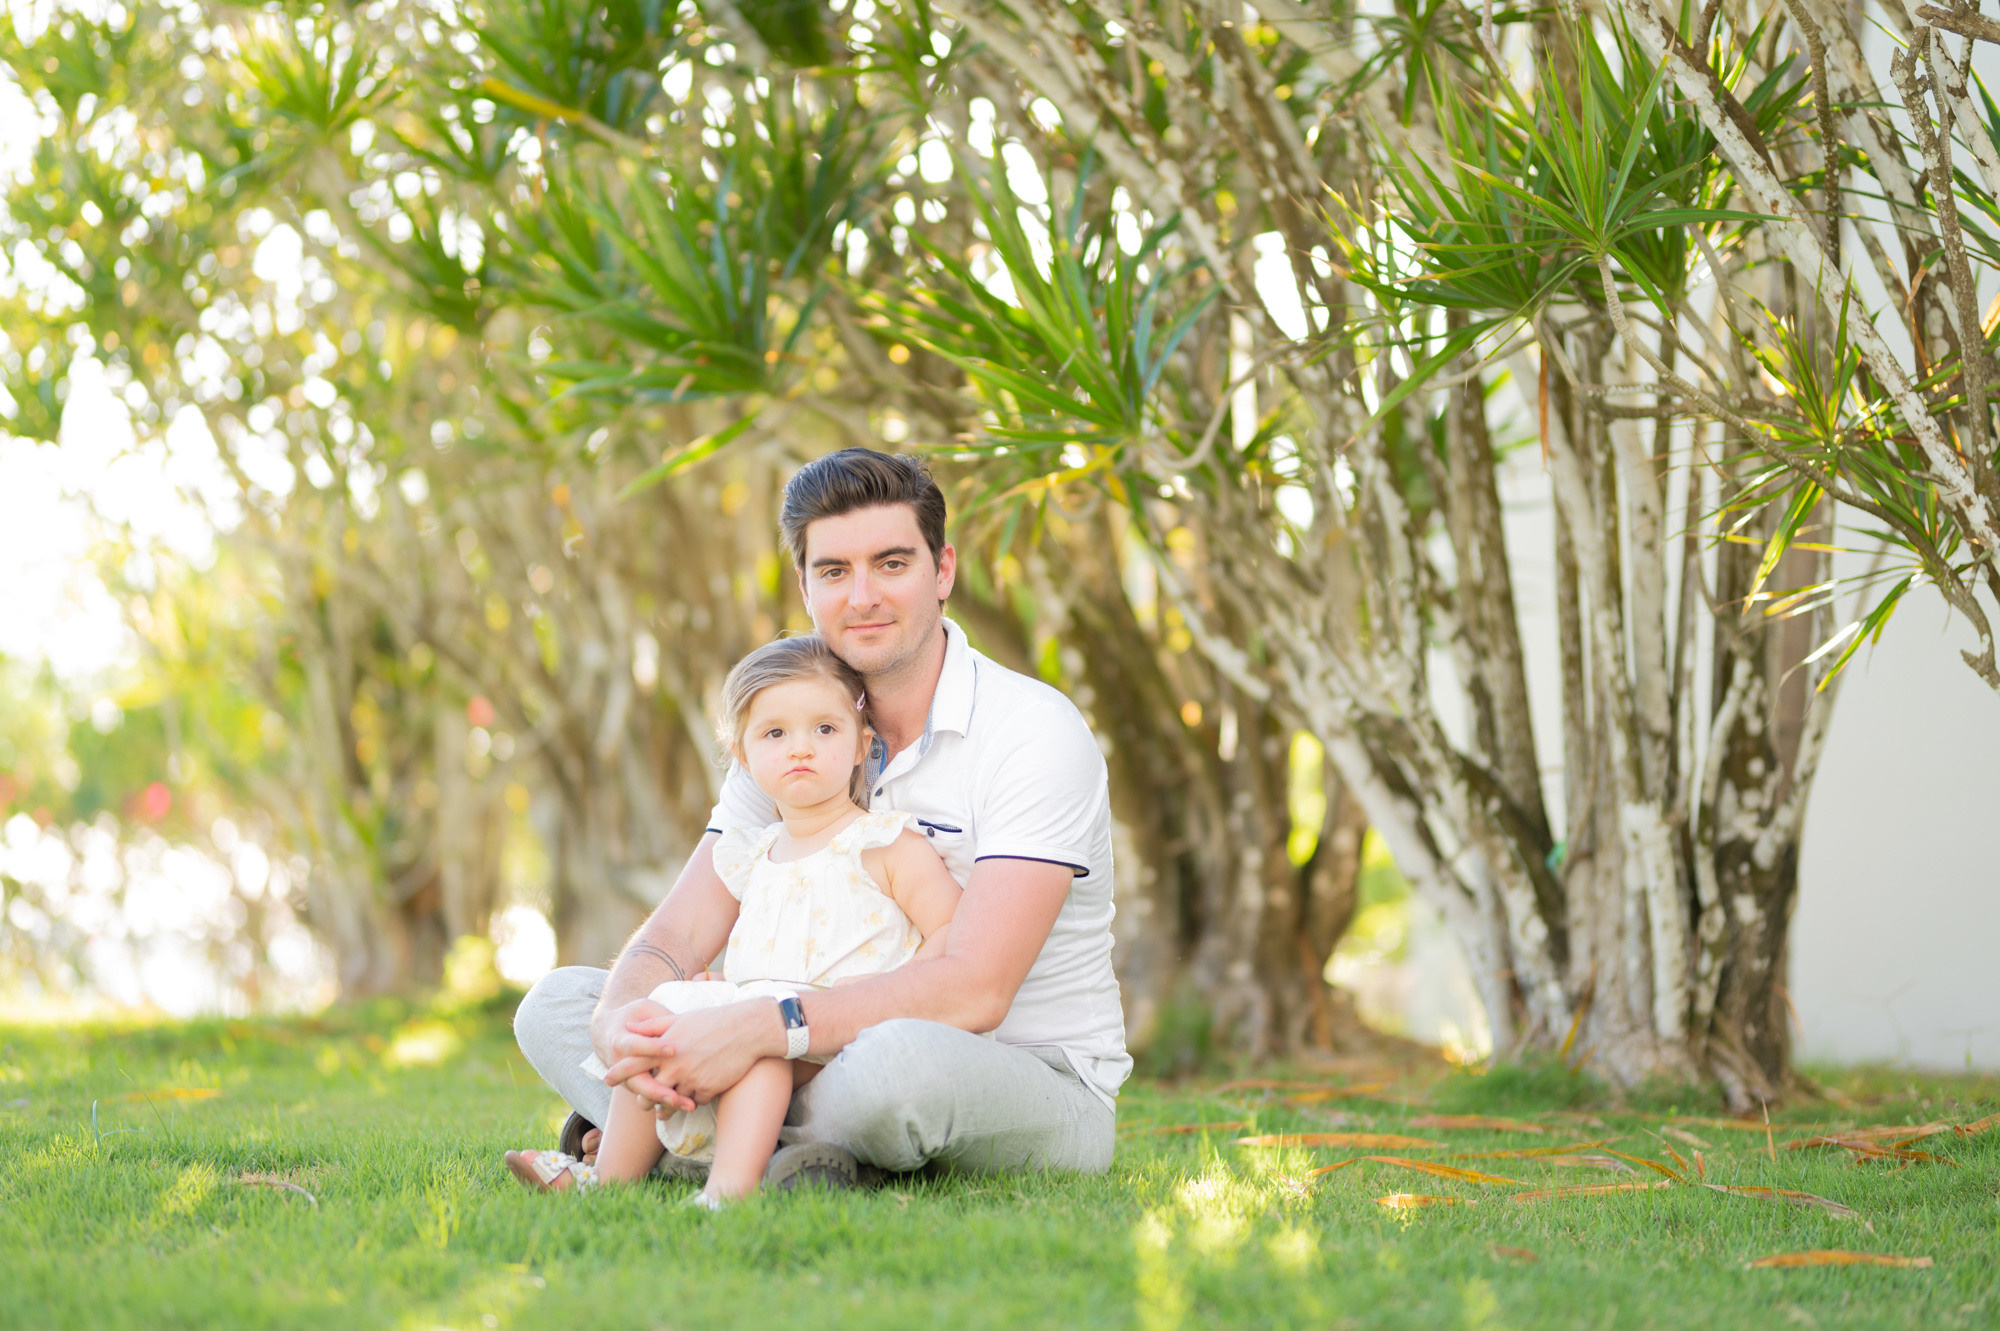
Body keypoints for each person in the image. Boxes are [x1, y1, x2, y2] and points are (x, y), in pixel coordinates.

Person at [513, 447, 1128, 1186]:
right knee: (558, 1005)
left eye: (892, 563)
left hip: (1010, 1068)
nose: (862, 595)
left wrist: (764, 1026)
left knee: (898, 1069)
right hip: (795, 1053)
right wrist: (618, 1022)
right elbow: (679, 933)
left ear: (943, 571)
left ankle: (666, 1136)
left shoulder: (1032, 731)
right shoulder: (788, 733)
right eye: (834, 571)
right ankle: (767, 1149)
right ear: (805, 585)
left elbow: (977, 986)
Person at [503, 636, 961, 1206]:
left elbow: (952, 934)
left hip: (836, 1040)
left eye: (825, 729)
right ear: (744, 757)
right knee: (659, 1018)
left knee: (760, 1051)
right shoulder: (751, 854)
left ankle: (724, 1190)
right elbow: (736, 949)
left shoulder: (886, 844)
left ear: (862, 745)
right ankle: (612, 1177)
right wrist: (711, 992)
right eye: (776, 734)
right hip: (748, 1021)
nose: (802, 748)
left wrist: (887, 987)